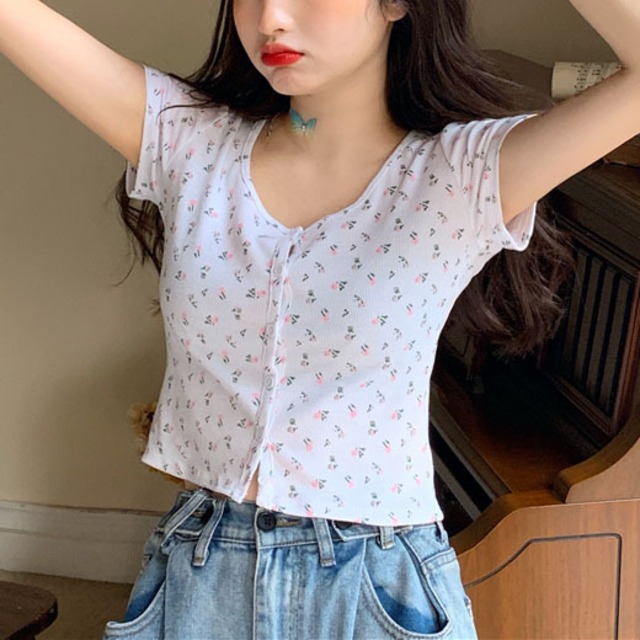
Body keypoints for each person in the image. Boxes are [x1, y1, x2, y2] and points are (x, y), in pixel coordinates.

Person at [2, 0, 639, 638]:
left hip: (379, 589)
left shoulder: (462, 175)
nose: (271, 18)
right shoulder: (188, 141)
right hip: (202, 573)